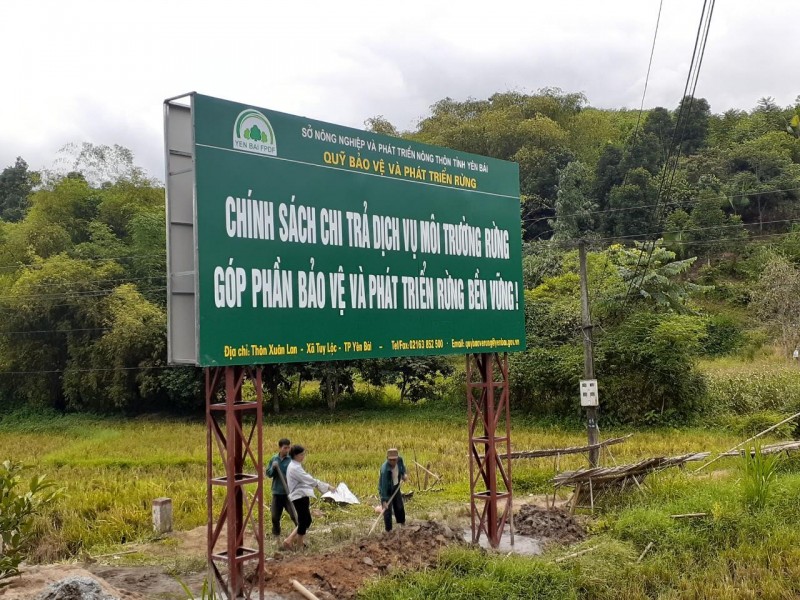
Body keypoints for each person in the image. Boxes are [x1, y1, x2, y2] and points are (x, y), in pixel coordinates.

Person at [282, 444, 332, 551]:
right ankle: (298, 546)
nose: (303, 456)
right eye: (301, 454)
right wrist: (326, 486)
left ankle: (290, 540)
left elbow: (308, 480)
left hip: (302, 495)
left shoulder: (295, 465)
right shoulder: (295, 468)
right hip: (299, 496)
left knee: (306, 520)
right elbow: (308, 479)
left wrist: (320, 486)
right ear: (295, 455)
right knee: (304, 520)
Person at [266, 438, 296, 537]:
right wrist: (273, 468)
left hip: (289, 493)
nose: (287, 450)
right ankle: (276, 536)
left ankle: (300, 535)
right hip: (277, 492)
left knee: (294, 516)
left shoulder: (291, 460)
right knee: (274, 517)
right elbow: (269, 474)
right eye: (285, 448)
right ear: (280, 448)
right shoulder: (274, 459)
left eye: (288, 448)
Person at [378, 448, 408, 532]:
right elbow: (383, 486)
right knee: (387, 511)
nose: (393, 462)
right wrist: (384, 500)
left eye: (394, 460)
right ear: (387, 459)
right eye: (390, 460)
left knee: (399, 505)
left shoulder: (400, 460)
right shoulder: (385, 470)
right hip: (386, 491)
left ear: (397, 458)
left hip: (396, 486)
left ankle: (402, 523)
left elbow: (402, 467)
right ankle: (389, 530)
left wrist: (403, 474)